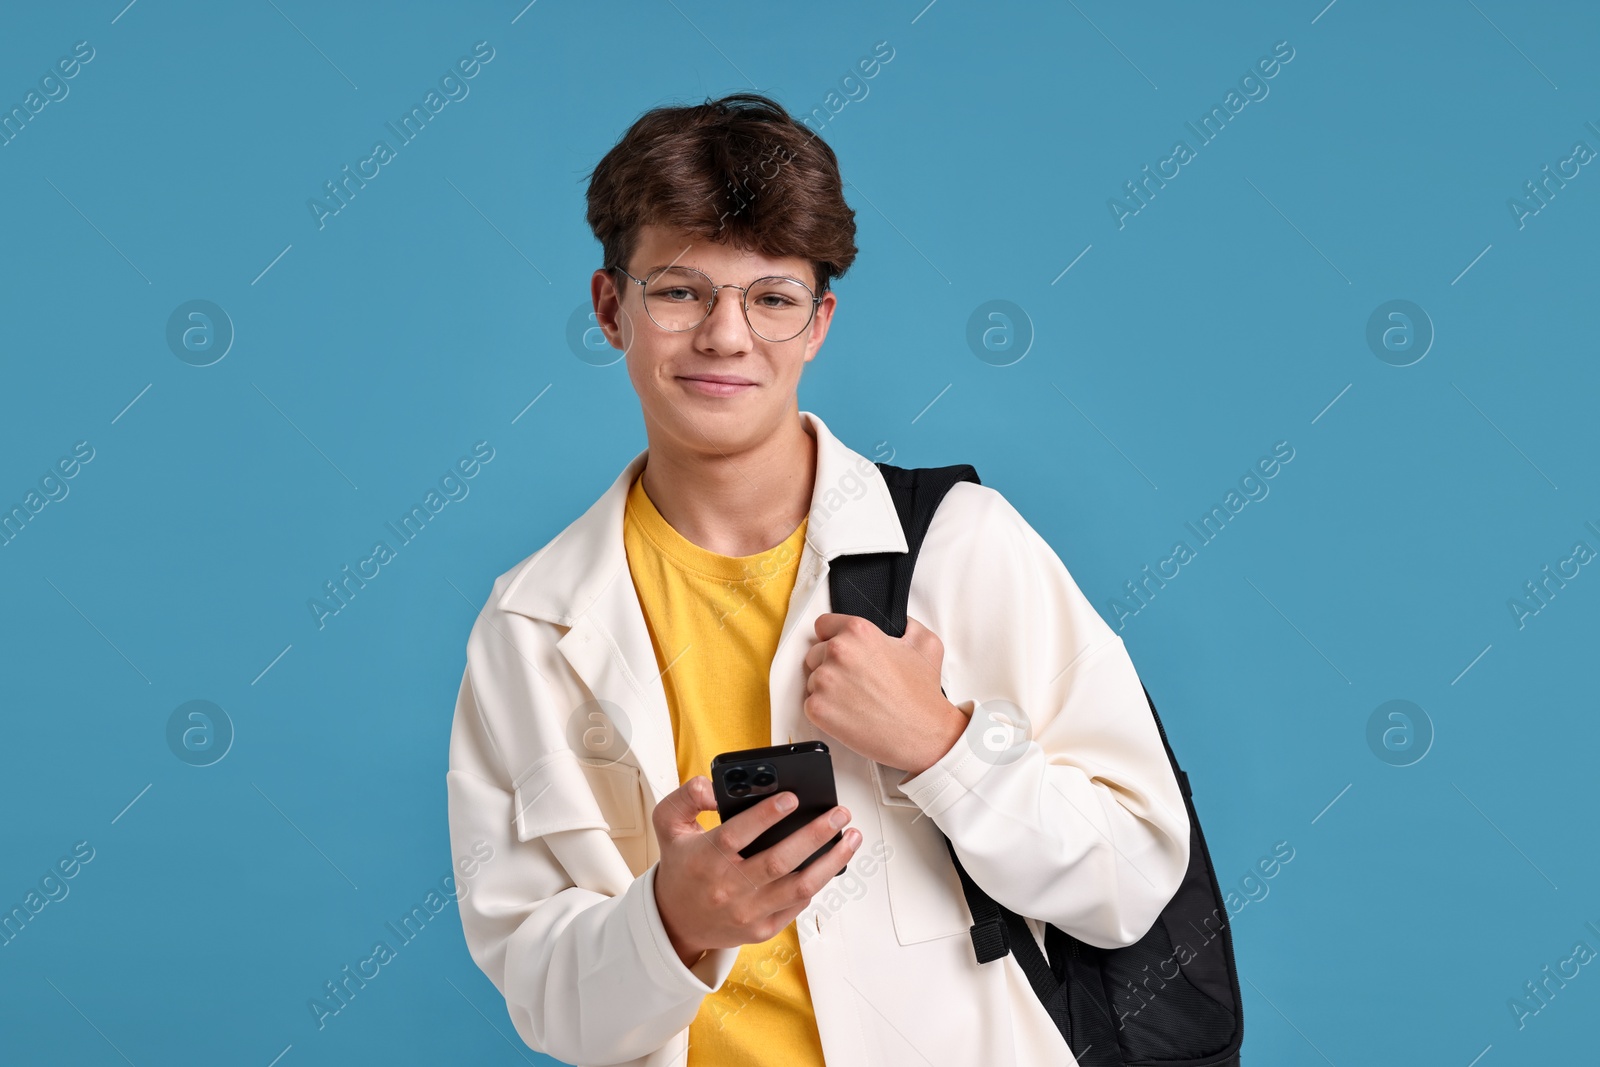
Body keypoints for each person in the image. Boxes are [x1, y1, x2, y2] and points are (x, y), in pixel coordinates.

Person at [445, 92, 1191, 1067]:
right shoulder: (529, 623)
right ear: (609, 307)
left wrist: (943, 744)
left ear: (818, 321)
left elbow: (1132, 877)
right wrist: (671, 918)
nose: (724, 335)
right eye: (678, 291)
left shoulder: (959, 548)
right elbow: (552, 1006)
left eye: (770, 296)